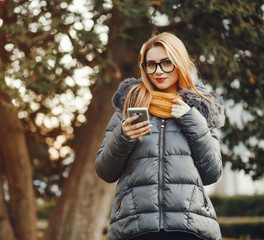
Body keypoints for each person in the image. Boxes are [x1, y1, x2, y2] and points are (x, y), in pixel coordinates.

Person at [95, 32, 225, 240]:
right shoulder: (128, 107)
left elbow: (212, 173)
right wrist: (123, 137)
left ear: (180, 62)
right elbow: (105, 171)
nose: (158, 71)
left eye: (166, 63)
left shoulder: (200, 108)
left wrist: (191, 119)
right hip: (135, 228)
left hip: (190, 229)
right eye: (151, 64)